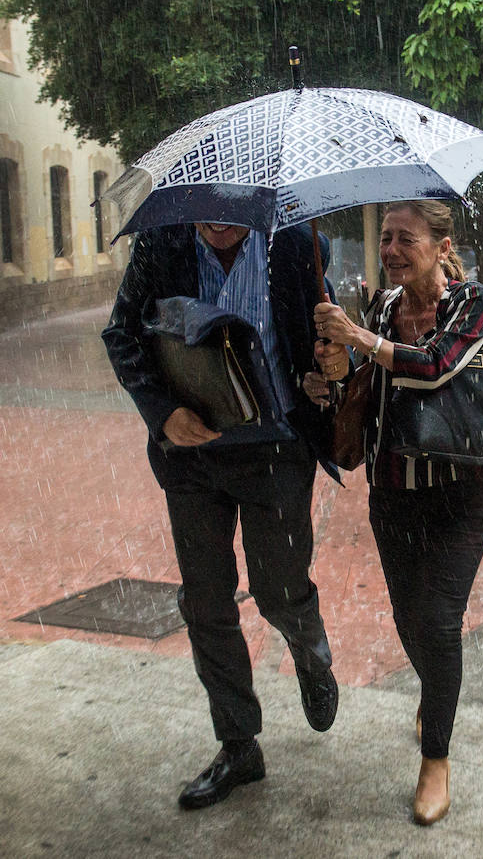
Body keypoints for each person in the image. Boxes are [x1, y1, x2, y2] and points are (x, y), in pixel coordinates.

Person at [102, 220, 349, 810]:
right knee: (207, 601)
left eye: (232, 208)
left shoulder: (295, 244)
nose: (217, 222)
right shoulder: (160, 246)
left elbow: (327, 344)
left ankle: (310, 654)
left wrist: (332, 366)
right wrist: (162, 414)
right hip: (192, 457)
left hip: (277, 449)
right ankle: (239, 744)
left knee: (278, 589)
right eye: (206, 206)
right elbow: (122, 334)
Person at [305, 201, 483, 826]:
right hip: (392, 492)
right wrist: (334, 370)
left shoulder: (471, 303)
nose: (389, 250)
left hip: (459, 494)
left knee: (438, 624)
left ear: (441, 246)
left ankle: (435, 758)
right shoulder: (382, 307)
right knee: (409, 621)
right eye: (384, 238)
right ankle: (438, 690)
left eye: (404, 239)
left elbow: (436, 366)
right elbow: (366, 380)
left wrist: (360, 337)